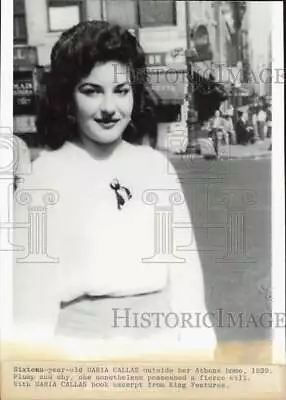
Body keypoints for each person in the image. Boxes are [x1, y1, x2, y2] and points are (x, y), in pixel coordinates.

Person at [13, 20, 216, 355]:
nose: (109, 108)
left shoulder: (156, 168)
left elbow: (186, 281)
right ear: (67, 96)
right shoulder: (44, 177)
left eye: (121, 91)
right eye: (92, 91)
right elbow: (29, 302)